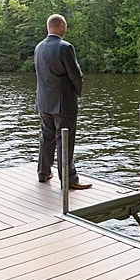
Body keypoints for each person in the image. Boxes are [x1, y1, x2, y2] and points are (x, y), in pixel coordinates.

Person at [34, 13, 92, 190]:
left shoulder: (38, 47)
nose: (65, 29)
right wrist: (77, 93)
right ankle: (69, 180)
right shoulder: (65, 47)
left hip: (44, 101)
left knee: (47, 137)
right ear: (60, 27)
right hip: (63, 103)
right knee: (65, 140)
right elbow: (75, 75)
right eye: (65, 26)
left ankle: (43, 173)